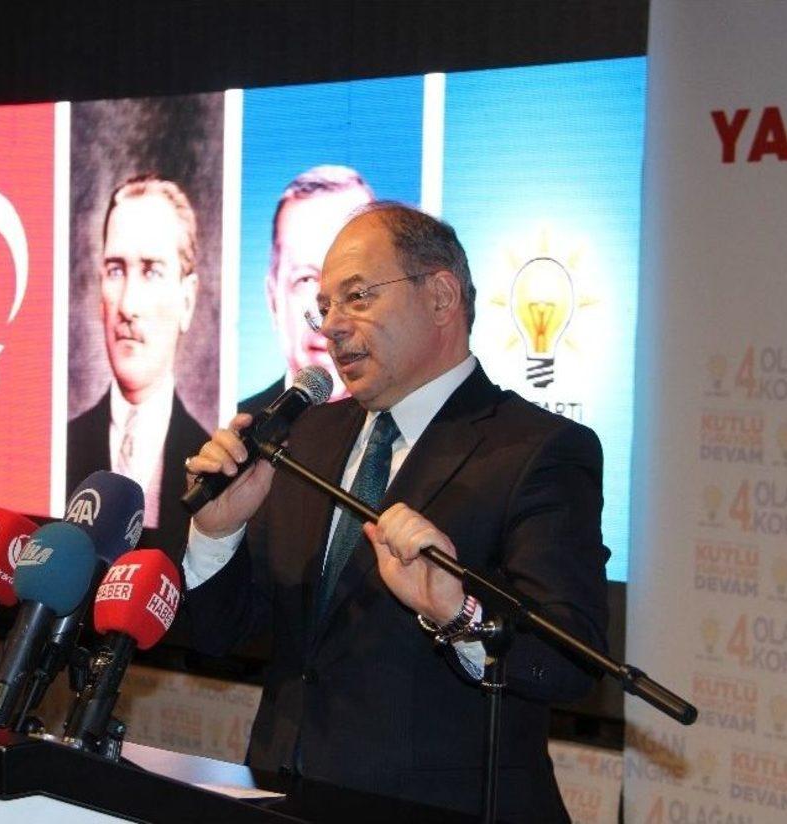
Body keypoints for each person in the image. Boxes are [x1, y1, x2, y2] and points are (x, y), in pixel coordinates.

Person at [183, 202, 610, 821]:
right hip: (284, 799)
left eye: (357, 297)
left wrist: (457, 612)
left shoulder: (537, 450)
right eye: (324, 306)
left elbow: (571, 661)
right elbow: (218, 636)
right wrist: (216, 533)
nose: (332, 326)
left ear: (440, 297)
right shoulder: (305, 439)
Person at [67, 174, 209, 558]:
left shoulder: (213, 458)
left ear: (187, 299)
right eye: (115, 270)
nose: (128, 305)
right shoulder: (63, 445)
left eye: (151, 270)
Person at [239, 166, 374, 416]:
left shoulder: (415, 428)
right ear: (273, 300)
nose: (328, 317)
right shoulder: (239, 429)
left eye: (352, 284)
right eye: (305, 279)